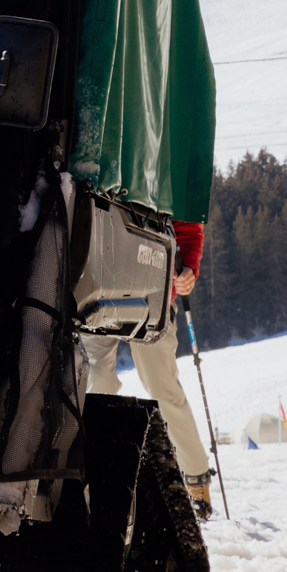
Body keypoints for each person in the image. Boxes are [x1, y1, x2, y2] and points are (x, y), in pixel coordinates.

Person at [82, 221, 215, 518]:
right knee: (96, 383)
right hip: (100, 286)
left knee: (162, 388)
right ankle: (95, 481)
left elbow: (188, 226)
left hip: (153, 292)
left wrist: (188, 268)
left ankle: (196, 478)